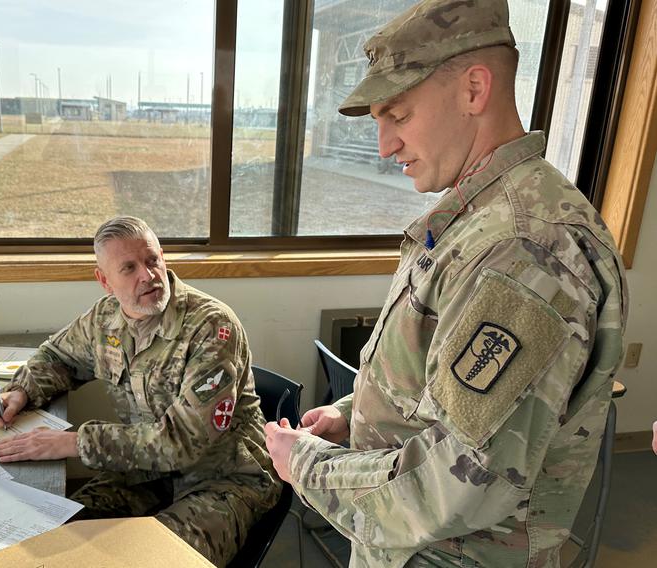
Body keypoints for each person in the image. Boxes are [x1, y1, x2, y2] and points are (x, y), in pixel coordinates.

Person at [263, 1, 628, 566]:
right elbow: (431, 390)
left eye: (399, 115)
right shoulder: (478, 220)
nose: (384, 146)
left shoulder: (524, 247)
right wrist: (354, 413)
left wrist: (303, 463)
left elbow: (459, 482)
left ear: (475, 90)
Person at [0, 216, 280, 567]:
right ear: (104, 281)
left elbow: (181, 442)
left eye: (152, 259)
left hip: (224, 482)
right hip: (145, 474)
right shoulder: (105, 320)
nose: (148, 275)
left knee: (150, 562)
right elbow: (57, 356)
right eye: (129, 268)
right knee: (57, 537)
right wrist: (20, 392)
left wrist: (75, 442)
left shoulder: (212, 327)